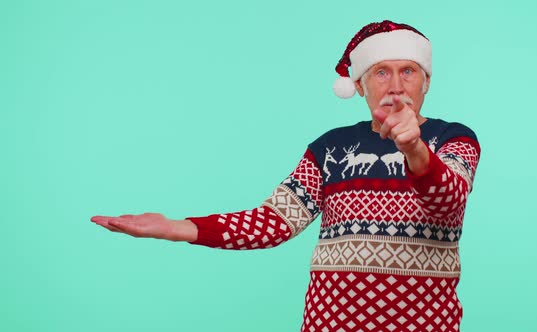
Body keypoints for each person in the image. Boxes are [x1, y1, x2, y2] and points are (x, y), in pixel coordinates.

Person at [92, 20, 481, 331]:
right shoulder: (330, 148)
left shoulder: (453, 139)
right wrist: (177, 228)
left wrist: (414, 148)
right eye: (381, 72)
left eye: (408, 71)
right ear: (360, 84)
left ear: (426, 81)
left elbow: (448, 202)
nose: (396, 86)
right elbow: (275, 222)